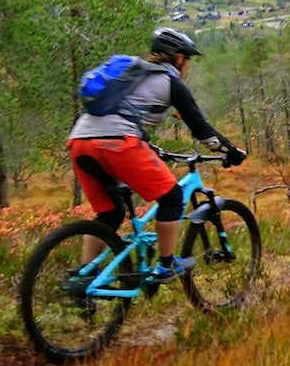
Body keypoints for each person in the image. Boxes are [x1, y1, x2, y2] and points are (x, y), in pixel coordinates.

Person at [68, 27, 247, 280]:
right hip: (118, 143)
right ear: (179, 58)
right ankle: (166, 264)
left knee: (111, 213)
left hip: (79, 142)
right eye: (188, 60)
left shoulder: (132, 77)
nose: (188, 67)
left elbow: (125, 114)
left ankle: (85, 275)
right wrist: (231, 151)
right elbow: (201, 130)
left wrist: (148, 146)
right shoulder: (169, 81)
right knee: (173, 197)